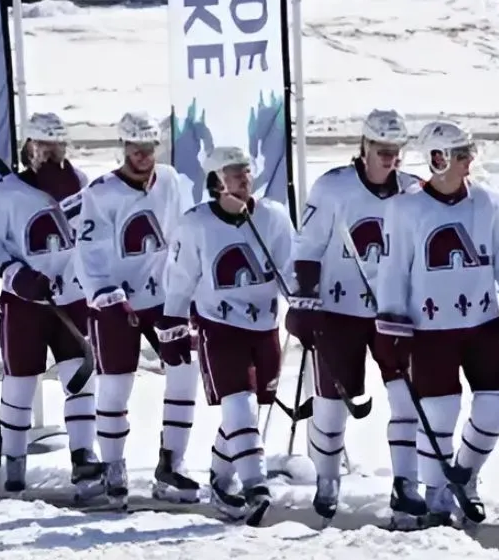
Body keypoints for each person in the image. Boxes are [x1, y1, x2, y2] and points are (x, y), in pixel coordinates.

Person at [375, 119, 499, 526]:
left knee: (496, 408)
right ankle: (436, 498)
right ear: (438, 159)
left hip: (481, 322)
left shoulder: (490, 203)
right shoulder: (405, 209)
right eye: (460, 154)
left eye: (469, 152)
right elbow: (393, 270)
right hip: (430, 329)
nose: (469, 161)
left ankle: (464, 475)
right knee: (439, 413)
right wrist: (391, 327)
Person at [285, 108, 426, 526]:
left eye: (396, 151)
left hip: (393, 314)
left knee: (406, 400)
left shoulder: (414, 192)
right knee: (332, 405)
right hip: (338, 312)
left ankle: (407, 485)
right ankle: (327, 480)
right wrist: (304, 303)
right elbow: (307, 247)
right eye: (383, 150)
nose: (390, 159)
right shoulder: (333, 188)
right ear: (364, 147)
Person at [0, 111, 102, 499]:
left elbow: (89, 239)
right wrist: (19, 275)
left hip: (72, 299)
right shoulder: (1, 194)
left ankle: (84, 458)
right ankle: (14, 466)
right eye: (43, 146)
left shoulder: (80, 184)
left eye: (57, 145)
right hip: (24, 305)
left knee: (80, 379)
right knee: (20, 384)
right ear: (28, 147)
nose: (50, 153)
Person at [163, 146, 293, 524]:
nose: (243, 178)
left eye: (246, 171)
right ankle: (255, 484)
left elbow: (289, 267)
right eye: (234, 172)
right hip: (219, 326)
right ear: (216, 180)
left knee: (247, 409)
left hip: (264, 325)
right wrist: (172, 321)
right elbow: (181, 278)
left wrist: (303, 305)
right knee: (239, 404)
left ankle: (221, 479)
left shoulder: (272, 216)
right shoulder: (196, 224)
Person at [75, 111, 193, 507]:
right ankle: (113, 466)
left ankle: (171, 463)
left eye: (149, 148)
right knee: (116, 382)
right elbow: (88, 250)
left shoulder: (172, 181)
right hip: (117, 301)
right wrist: (106, 293)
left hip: (164, 298)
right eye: (136, 149)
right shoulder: (101, 192)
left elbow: (186, 232)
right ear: (123, 148)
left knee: (184, 370)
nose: (144, 156)